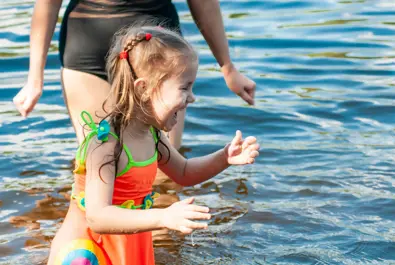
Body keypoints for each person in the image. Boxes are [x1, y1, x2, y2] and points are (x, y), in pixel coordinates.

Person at [46, 25, 260, 265]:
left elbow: (185, 172)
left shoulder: (154, 136)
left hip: (126, 247)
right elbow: (97, 217)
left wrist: (224, 158)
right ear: (144, 89)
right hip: (88, 253)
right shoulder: (106, 145)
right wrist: (163, 217)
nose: (192, 97)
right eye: (184, 87)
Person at [13, 0, 256, 150]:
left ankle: (160, 233)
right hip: (88, 53)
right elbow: (47, 3)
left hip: (159, 55)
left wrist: (228, 67)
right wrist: (35, 78)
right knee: (99, 162)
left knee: (163, 170)